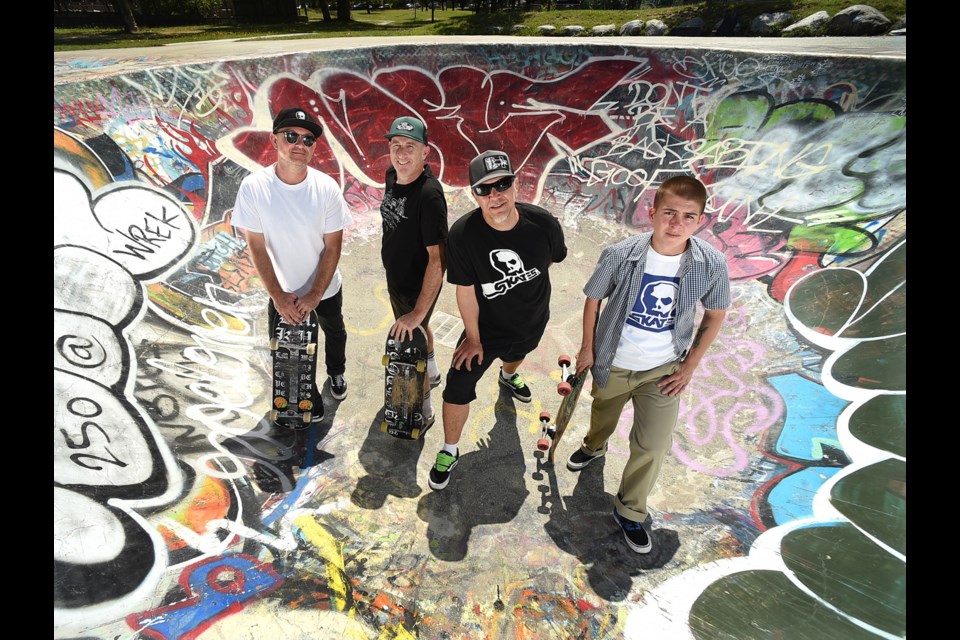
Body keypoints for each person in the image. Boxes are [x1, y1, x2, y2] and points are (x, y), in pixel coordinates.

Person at [566, 175, 730, 554]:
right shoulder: (620, 254)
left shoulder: (711, 264)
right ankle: (593, 447)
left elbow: (715, 315)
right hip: (614, 360)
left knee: (652, 445)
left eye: (689, 216)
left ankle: (630, 511)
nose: (677, 223)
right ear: (653, 212)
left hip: (664, 370)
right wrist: (587, 349)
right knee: (601, 418)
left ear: (701, 220)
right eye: (670, 213)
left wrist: (688, 367)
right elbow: (593, 300)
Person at [428, 150, 567, 490]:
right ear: (474, 195)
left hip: (531, 320)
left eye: (503, 184)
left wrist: (524, 295)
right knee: (458, 383)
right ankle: (449, 450)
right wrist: (473, 339)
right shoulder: (463, 235)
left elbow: (551, 261)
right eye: (485, 189)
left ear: (516, 185)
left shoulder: (544, 224)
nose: (496, 196)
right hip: (485, 330)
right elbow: (465, 291)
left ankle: (508, 376)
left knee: (516, 356)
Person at [231, 107, 353, 422]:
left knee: (334, 330)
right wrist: (278, 295)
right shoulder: (254, 187)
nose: (300, 144)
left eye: (308, 139)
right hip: (282, 293)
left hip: (324, 289)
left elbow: (333, 246)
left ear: (314, 147)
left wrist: (313, 295)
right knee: (286, 355)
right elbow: (256, 246)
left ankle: (336, 373)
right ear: (275, 140)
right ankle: (306, 396)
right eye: (291, 136)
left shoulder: (326, 188)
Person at [380, 116, 449, 424]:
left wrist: (418, 311)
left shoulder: (429, 195)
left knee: (411, 346)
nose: (402, 153)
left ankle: (424, 409)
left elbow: (438, 260)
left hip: (418, 284)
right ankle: (433, 369)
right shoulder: (391, 175)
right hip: (396, 277)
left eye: (410, 146)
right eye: (396, 146)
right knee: (418, 333)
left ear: (425, 152)